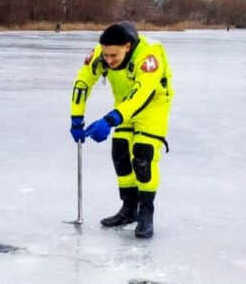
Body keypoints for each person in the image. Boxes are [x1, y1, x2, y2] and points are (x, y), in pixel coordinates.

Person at [69, 22, 173, 238]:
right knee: (120, 152)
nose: (109, 60)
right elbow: (82, 83)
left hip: (152, 107)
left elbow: (141, 95)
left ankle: (146, 212)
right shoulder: (101, 52)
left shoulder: (149, 56)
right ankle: (129, 208)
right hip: (124, 105)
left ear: (127, 46)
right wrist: (76, 118)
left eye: (113, 56)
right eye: (106, 56)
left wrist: (109, 120)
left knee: (143, 156)